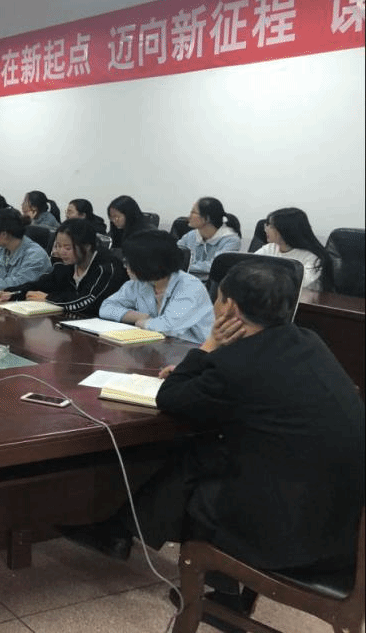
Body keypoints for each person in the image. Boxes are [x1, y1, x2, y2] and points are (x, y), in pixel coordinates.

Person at [63, 261, 363, 626]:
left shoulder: (236, 364)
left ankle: (124, 531)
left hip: (293, 533)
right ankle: (126, 531)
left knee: (193, 460)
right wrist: (206, 366)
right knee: (209, 452)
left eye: (217, 298)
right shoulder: (308, 340)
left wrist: (210, 345)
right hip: (343, 524)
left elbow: (169, 398)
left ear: (230, 307)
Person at [0, 219, 127, 316]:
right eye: (58, 246)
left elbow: (87, 302)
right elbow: (42, 284)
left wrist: (49, 298)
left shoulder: (106, 267)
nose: (61, 252)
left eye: (67, 248)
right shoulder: (66, 263)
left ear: (87, 246)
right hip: (71, 322)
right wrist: (11, 293)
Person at [100, 229, 213, 343]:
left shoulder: (190, 287)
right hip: (156, 346)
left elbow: (168, 328)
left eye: (129, 262)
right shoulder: (140, 283)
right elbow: (106, 308)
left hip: (192, 348)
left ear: (148, 264)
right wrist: (140, 317)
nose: (125, 266)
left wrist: (142, 323)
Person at [255, 207, 333, 291]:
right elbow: (249, 266)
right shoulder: (270, 248)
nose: (266, 230)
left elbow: (300, 283)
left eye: (271, 226)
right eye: (266, 225)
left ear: (285, 230)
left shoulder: (312, 258)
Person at [177, 197, 241, 277]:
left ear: (207, 218)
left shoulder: (231, 240)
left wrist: (182, 266)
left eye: (193, 212)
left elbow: (214, 266)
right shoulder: (191, 235)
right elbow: (173, 254)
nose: (189, 216)